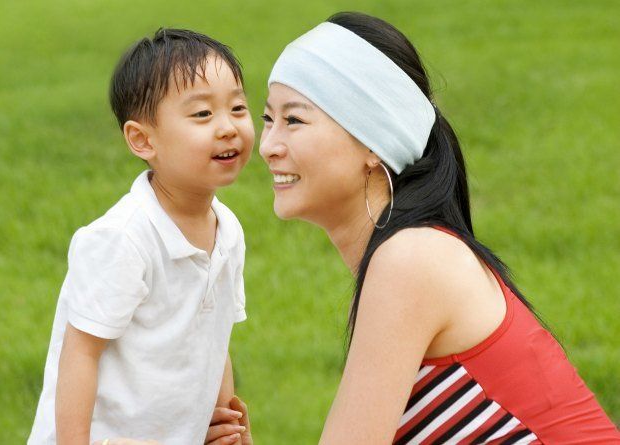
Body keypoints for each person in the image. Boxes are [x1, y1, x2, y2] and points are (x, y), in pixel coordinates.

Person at [209, 11, 620, 445]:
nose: (269, 146)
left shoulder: (409, 261)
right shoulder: (407, 257)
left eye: (294, 120)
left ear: (373, 140)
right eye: (268, 119)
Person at [28, 28, 254, 444]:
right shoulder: (123, 239)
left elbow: (214, 337)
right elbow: (80, 355)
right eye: (202, 114)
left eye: (238, 107)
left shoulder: (228, 231)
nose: (228, 127)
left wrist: (223, 423)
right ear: (143, 139)